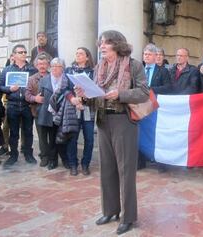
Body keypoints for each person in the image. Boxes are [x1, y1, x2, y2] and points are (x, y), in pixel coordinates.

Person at [75, 30, 149, 235]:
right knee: (106, 168)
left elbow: (144, 93)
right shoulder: (99, 67)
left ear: (117, 44)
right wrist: (83, 94)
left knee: (125, 171)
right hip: (103, 119)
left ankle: (128, 217)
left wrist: (121, 94)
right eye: (100, 43)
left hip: (124, 120)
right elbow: (94, 95)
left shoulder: (133, 65)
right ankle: (110, 210)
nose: (102, 46)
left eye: (106, 42)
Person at [0, 44, 38, 167]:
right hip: (13, 105)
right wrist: (9, 89)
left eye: (25, 52)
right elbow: (0, 86)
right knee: (13, 132)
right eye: (20, 52)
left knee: (28, 131)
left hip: (27, 105)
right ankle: (13, 155)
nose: (23, 54)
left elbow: (37, 84)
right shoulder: (7, 70)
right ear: (14, 55)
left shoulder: (32, 69)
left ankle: (28, 154)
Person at [37, 58, 76, 170]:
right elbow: (41, 96)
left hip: (64, 114)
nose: (54, 68)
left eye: (57, 66)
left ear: (62, 68)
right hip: (49, 114)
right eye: (53, 66)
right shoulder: (44, 80)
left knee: (63, 138)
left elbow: (71, 94)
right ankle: (52, 160)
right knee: (52, 138)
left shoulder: (68, 80)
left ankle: (65, 159)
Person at [138, 43, 170, 170]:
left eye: (149, 54)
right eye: (145, 54)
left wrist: (151, 90)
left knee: (155, 134)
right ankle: (140, 162)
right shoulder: (138, 70)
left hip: (155, 109)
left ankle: (160, 161)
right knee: (140, 134)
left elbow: (168, 87)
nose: (146, 56)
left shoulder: (163, 71)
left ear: (156, 56)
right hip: (139, 106)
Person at [65, 47, 95, 176]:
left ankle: (85, 164)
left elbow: (96, 90)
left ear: (87, 57)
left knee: (89, 138)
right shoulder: (69, 71)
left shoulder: (93, 72)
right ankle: (73, 164)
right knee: (72, 138)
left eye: (81, 53)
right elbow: (65, 89)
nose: (78, 55)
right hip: (74, 108)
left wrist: (84, 99)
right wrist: (72, 99)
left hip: (88, 108)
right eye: (76, 53)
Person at [25, 52, 52, 167]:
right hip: (38, 112)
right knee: (42, 136)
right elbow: (27, 94)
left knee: (52, 135)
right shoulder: (31, 79)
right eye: (40, 64)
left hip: (52, 112)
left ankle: (53, 156)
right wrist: (35, 98)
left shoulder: (53, 77)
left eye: (44, 64)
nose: (42, 66)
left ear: (48, 65)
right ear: (36, 65)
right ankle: (44, 156)